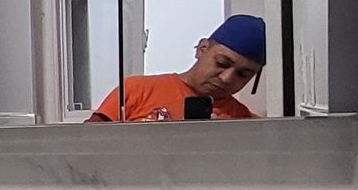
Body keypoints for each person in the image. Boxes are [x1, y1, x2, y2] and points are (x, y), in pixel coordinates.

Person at [89, 14, 266, 123]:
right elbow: (85, 144)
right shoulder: (136, 89)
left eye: (243, 74)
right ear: (202, 49)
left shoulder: (243, 121)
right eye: (222, 63)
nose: (226, 78)